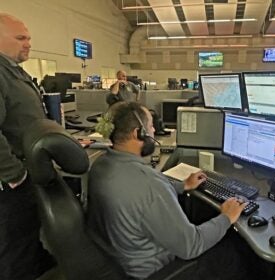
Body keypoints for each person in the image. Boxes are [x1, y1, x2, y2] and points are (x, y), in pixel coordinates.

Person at [87, 101, 252, 280]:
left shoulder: (100, 165)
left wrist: (182, 186)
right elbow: (192, 246)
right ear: (138, 133)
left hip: (121, 259)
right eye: (150, 127)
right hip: (154, 271)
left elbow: (140, 196)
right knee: (234, 253)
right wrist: (226, 217)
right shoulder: (149, 184)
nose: (153, 132)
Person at [0, 13, 56, 279]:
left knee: (27, 235)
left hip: (27, 171)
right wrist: (14, 174)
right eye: (20, 38)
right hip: (10, 181)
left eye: (29, 38)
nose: (28, 43)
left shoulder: (13, 71)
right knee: (14, 248)